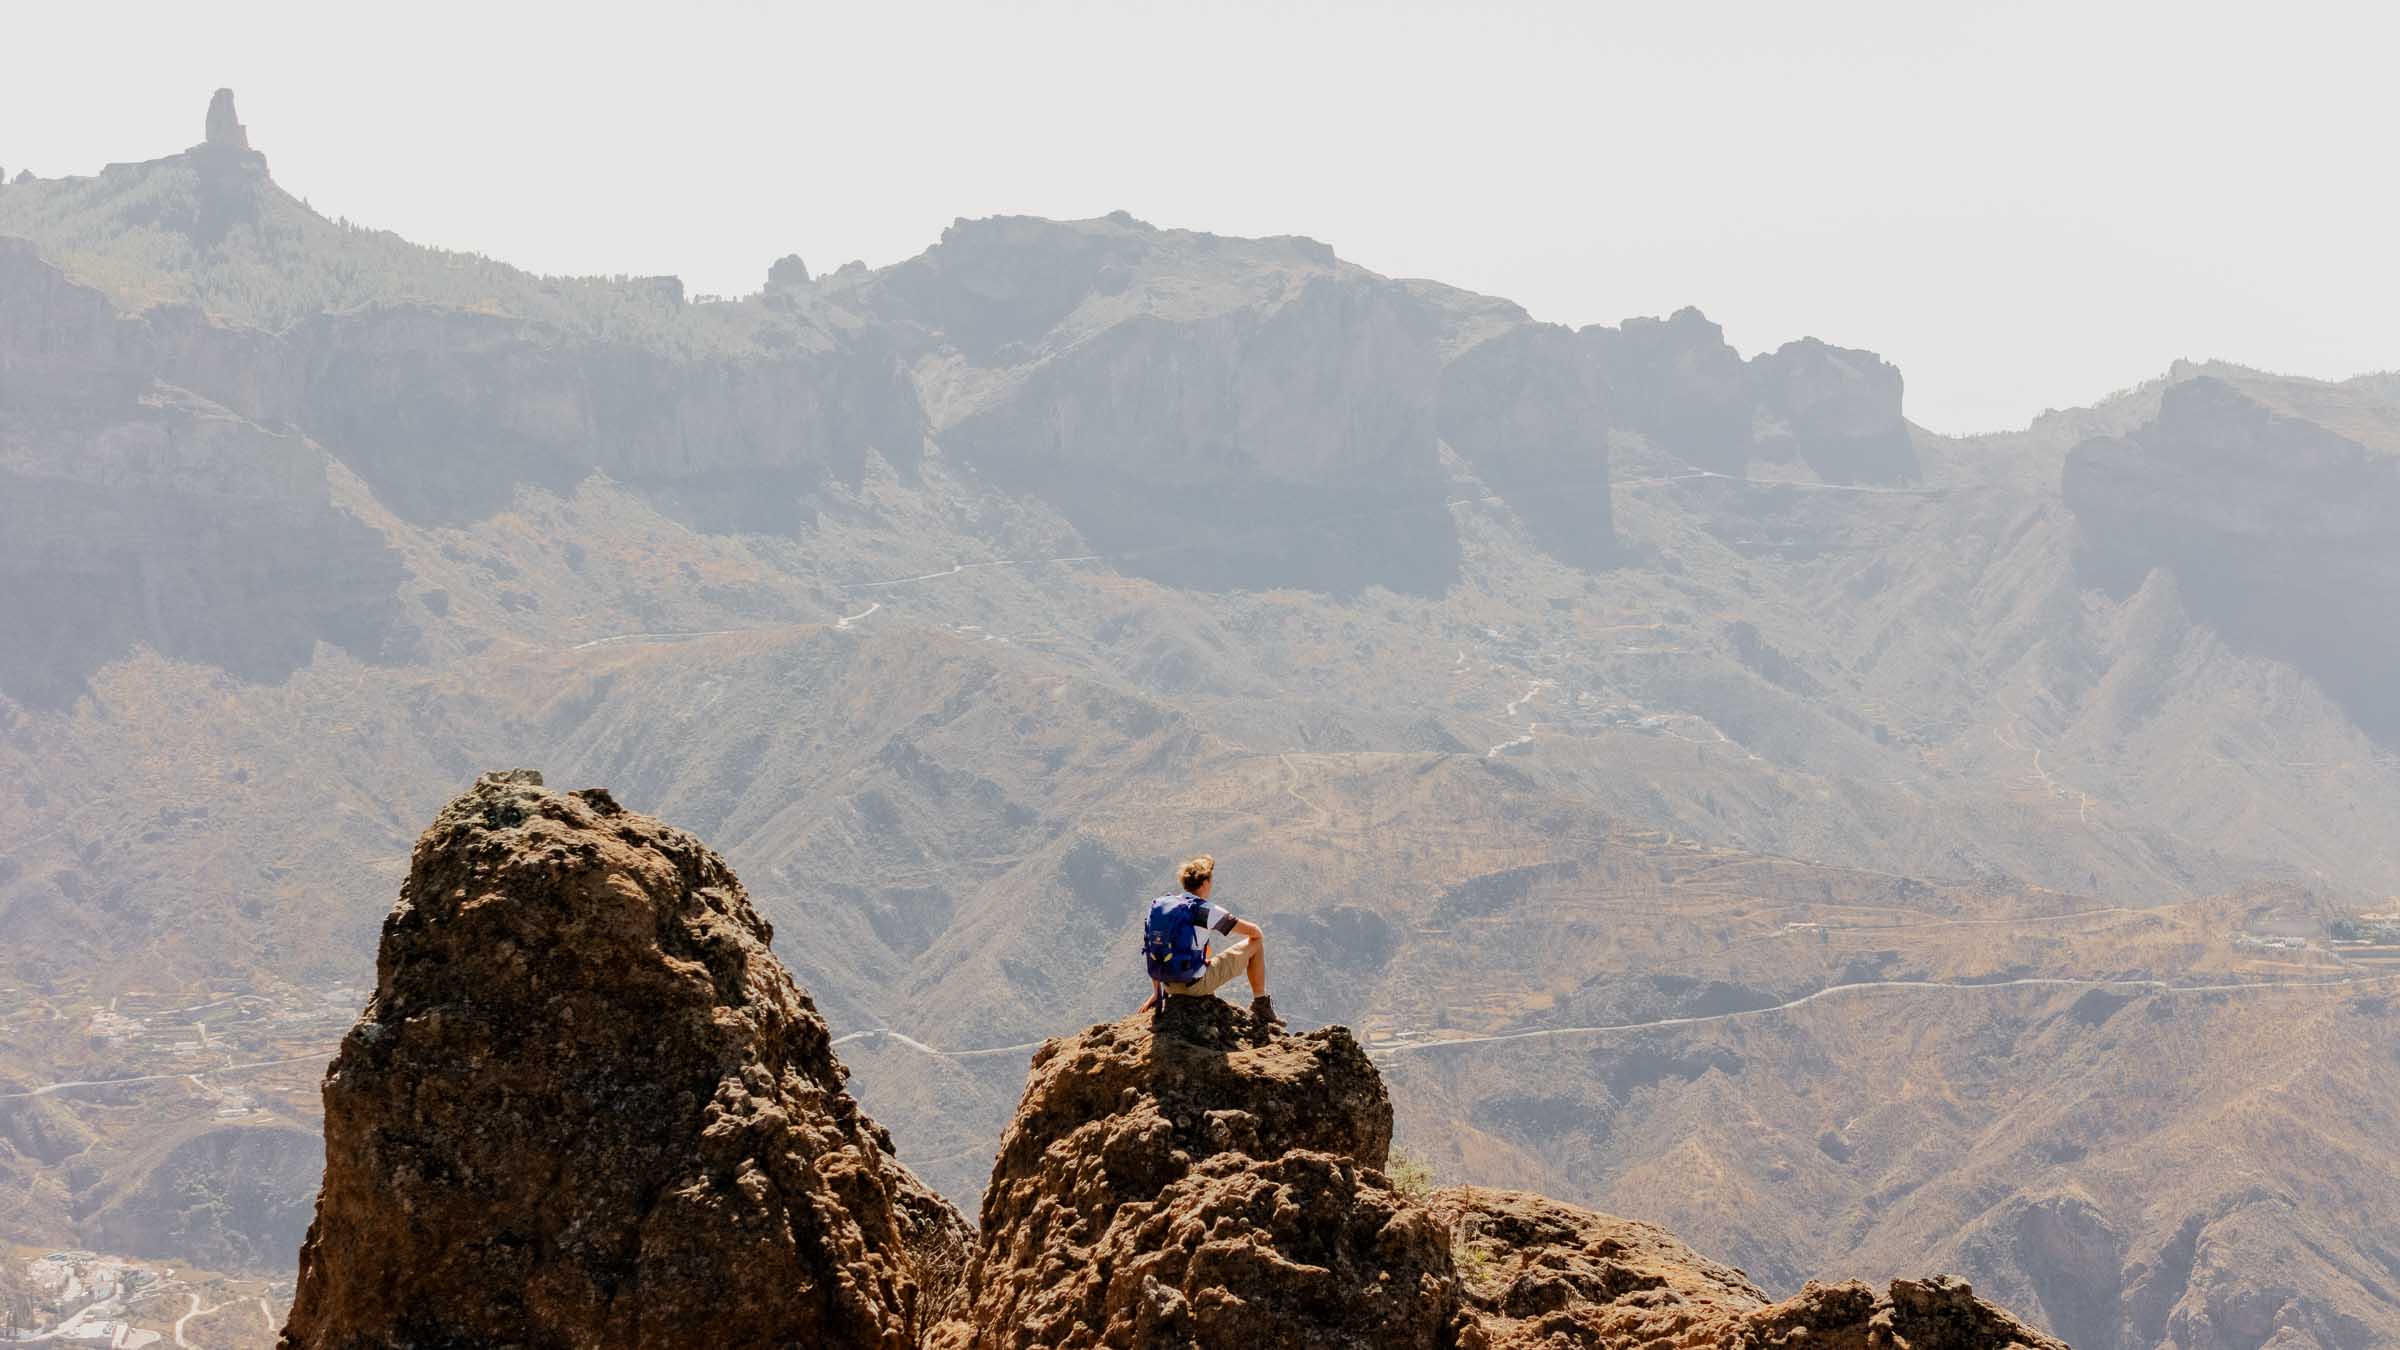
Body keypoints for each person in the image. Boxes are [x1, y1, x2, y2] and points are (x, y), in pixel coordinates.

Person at [1137, 854, 1278, 1038]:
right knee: (1256, 943)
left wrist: (1157, 992)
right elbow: (1255, 932)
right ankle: (1261, 1003)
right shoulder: (1205, 910)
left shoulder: (1163, 906)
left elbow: (1154, 948)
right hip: (1194, 987)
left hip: (1168, 986)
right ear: (1204, 884)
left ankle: (1187, 990)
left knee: (1204, 948)